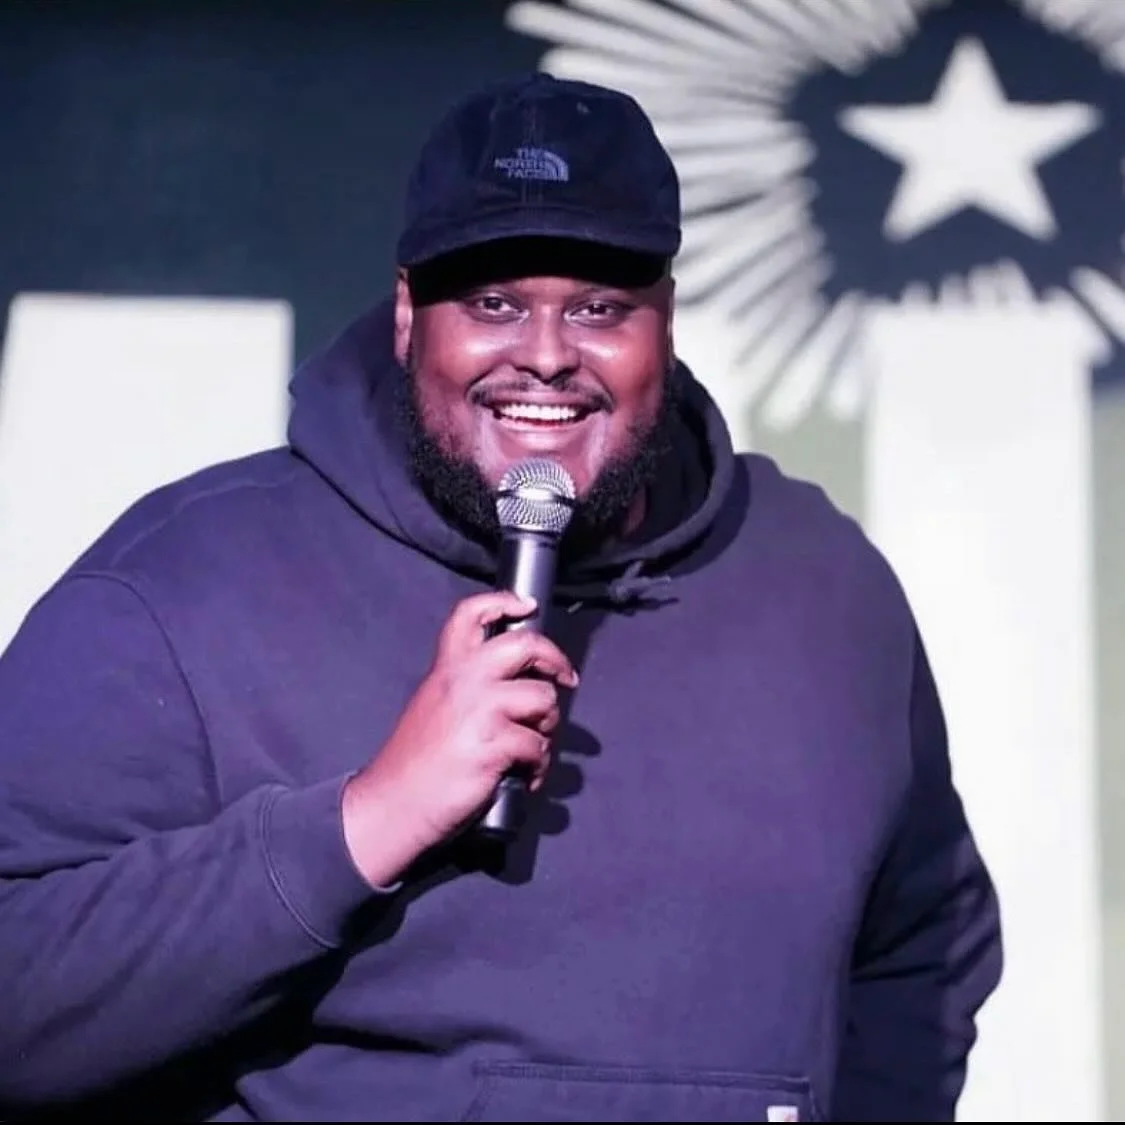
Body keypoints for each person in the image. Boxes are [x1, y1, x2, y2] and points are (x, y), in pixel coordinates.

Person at [0, 72, 1002, 1122]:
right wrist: (365, 820)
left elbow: (926, 948)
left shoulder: (821, 584)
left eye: (599, 308)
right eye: (494, 304)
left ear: (664, 322)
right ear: (407, 315)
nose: (546, 356)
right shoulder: (190, 579)